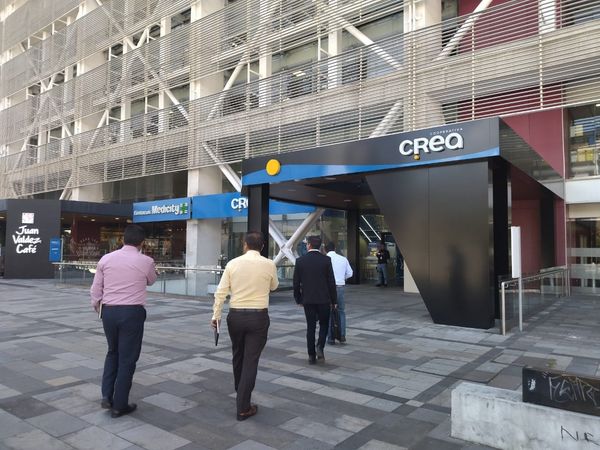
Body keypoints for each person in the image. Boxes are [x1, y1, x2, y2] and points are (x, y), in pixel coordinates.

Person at [90, 224, 157, 418]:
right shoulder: (146, 261)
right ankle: (120, 404)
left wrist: (98, 306)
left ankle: (106, 395)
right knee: (127, 358)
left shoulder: (106, 259)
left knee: (112, 352)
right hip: (132, 312)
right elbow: (151, 280)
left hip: (109, 312)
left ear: (122, 240)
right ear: (142, 242)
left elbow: (96, 289)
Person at [211, 231, 278, 421]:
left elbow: (221, 292)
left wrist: (216, 315)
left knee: (238, 355)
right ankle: (243, 406)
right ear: (262, 247)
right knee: (251, 360)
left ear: (245, 245)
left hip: (236, 316)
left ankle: (240, 390)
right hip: (258, 317)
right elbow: (274, 286)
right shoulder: (269, 264)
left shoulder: (233, 264)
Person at [293, 235, 337, 365]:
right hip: (324, 299)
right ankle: (320, 347)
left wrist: (298, 299)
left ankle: (311, 355)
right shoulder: (326, 260)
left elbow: (296, 283)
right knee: (324, 325)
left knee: (310, 327)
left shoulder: (300, 261)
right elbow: (331, 282)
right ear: (320, 246)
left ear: (309, 245)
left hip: (308, 299)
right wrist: (334, 301)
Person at [325, 242, 353, 345]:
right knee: (341, 311)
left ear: (325, 249)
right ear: (335, 248)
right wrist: (341, 278)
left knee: (329, 312)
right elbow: (350, 273)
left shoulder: (324, 259)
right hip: (340, 287)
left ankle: (331, 337)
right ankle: (342, 335)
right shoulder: (343, 259)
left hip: (328, 288)